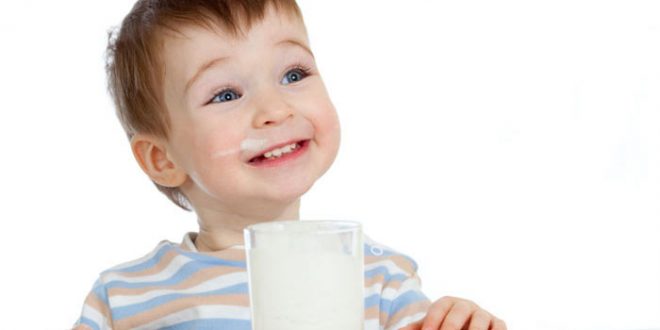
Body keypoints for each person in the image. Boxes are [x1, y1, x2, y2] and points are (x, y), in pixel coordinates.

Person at [73, 0, 506, 329]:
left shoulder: (379, 283)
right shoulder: (124, 298)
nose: (275, 109)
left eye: (294, 75)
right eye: (226, 95)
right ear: (162, 159)